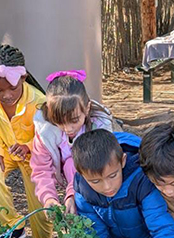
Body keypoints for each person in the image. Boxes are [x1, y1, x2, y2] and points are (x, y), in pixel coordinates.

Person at [73, 129, 174, 238]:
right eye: (96, 181)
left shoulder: (141, 180)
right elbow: (93, 229)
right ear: (81, 174)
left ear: (123, 161)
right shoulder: (83, 189)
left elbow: (162, 227)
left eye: (113, 176)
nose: (107, 187)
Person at [0, 44, 51, 238]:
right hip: (6, 151)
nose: (6, 95)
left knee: (40, 213)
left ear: (23, 78)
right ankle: (13, 226)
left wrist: (27, 146)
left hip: (36, 156)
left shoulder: (39, 101)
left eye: (12, 88)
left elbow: (47, 137)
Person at [30, 70, 114, 215]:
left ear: (87, 108)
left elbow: (88, 164)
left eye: (74, 121)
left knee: (71, 162)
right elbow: (41, 169)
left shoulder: (99, 126)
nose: (68, 129)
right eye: (59, 122)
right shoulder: (45, 131)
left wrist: (72, 193)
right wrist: (48, 197)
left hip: (99, 183)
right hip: (71, 180)